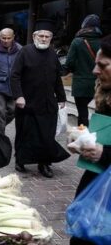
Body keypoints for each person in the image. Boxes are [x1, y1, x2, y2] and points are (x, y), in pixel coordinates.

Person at [10, 19, 70, 178]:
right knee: (25, 133)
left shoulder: (52, 54)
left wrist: (62, 97)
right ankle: (20, 160)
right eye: (41, 36)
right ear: (34, 36)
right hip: (27, 103)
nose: (44, 39)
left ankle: (44, 164)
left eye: (47, 36)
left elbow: (57, 78)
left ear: (51, 38)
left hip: (47, 103)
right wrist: (19, 96)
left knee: (46, 135)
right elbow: (14, 76)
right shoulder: (24, 52)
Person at [69, 34, 111, 245]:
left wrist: (105, 153)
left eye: (103, 66)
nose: (95, 71)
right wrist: (83, 138)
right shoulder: (106, 95)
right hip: (97, 188)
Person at [65, 14, 102, 127]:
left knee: (82, 113)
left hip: (80, 83)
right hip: (98, 84)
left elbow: (69, 63)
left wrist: (76, 68)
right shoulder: (103, 42)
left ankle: (83, 137)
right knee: (100, 111)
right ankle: (98, 136)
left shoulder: (77, 42)